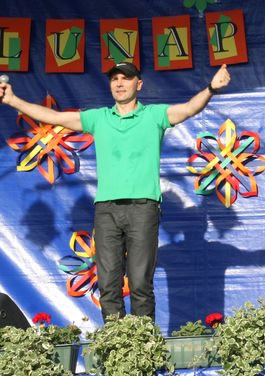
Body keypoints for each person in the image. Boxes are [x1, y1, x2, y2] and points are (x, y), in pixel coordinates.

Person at [0, 61, 231, 321]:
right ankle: (115, 341)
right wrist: (12, 100)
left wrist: (211, 88)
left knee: (140, 283)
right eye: (114, 79)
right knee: (108, 284)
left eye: (126, 78)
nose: (119, 83)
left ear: (139, 84)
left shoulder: (154, 115)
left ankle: (143, 342)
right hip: (107, 210)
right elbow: (53, 118)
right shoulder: (99, 118)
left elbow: (188, 109)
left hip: (143, 208)